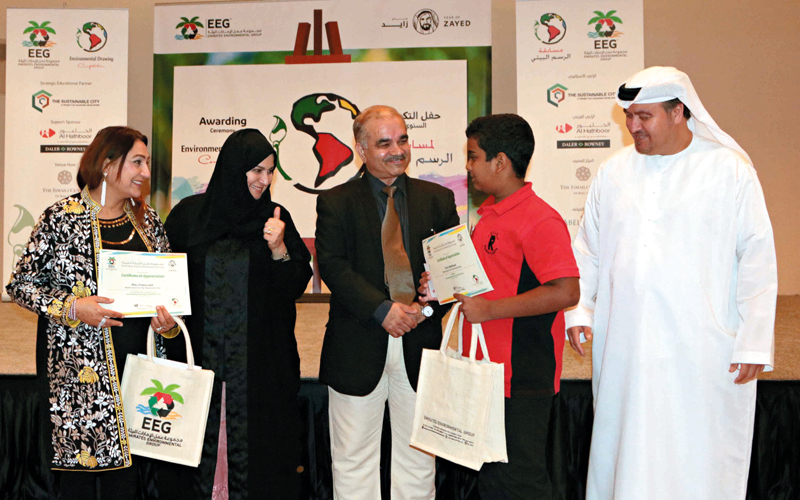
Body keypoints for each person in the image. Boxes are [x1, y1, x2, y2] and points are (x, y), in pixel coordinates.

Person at [565, 66, 777, 500]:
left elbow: (757, 257)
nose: (633, 126)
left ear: (678, 112)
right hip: (626, 345)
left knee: (694, 453)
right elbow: (587, 249)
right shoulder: (613, 172)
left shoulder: (729, 170)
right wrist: (580, 308)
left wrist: (754, 342)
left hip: (701, 350)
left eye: (644, 116)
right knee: (626, 450)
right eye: (629, 116)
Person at [6, 126, 178, 499]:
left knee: (127, 483)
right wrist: (72, 306)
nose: (146, 172)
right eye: (137, 162)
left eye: (147, 163)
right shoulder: (60, 218)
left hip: (138, 377)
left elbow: (170, 294)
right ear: (106, 164)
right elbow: (20, 285)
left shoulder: (148, 221)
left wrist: (168, 326)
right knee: (77, 485)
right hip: (78, 382)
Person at [421, 114, 579, 500]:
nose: (468, 166)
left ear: (500, 162)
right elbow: (485, 284)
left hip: (522, 377)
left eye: (473, 156)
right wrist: (440, 286)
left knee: (520, 484)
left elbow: (566, 292)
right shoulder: (489, 215)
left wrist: (491, 311)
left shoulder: (540, 220)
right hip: (484, 374)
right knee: (493, 484)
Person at [315, 105, 459, 500]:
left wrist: (425, 308)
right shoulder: (335, 201)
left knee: (419, 460)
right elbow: (333, 266)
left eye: (402, 140)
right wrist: (384, 312)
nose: (397, 150)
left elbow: (452, 271)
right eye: (384, 143)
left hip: (420, 340)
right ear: (361, 149)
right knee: (353, 460)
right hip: (357, 344)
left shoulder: (438, 198)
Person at [161, 128, 313, 499]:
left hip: (260, 371)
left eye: (270, 171)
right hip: (198, 363)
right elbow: (165, 278)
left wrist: (279, 249)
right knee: (194, 459)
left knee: (260, 464)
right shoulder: (188, 217)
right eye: (256, 170)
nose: (265, 180)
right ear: (233, 168)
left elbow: (294, 286)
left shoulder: (276, 219)